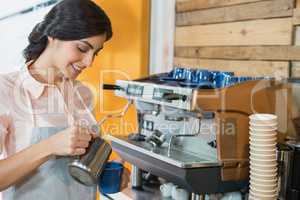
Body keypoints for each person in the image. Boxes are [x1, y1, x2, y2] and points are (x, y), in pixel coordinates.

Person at [0, 0, 127, 199]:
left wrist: (104, 172)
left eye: (96, 53)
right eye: (83, 49)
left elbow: (79, 171)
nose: (89, 62)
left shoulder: (82, 93)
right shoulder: (6, 90)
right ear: (53, 35)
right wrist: (49, 147)